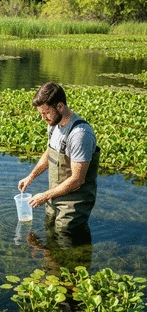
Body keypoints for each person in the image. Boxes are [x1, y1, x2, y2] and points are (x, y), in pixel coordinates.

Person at [18, 82, 100, 232]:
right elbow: (50, 152)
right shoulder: (53, 123)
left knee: (65, 233)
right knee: (49, 229)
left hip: (74, 202)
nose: (43, 118)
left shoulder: (80, 135)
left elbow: (78, 179)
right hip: (54, 195)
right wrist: (31, 177)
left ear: (60, 106)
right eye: (40, 113)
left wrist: (44, 196)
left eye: (46, 112)